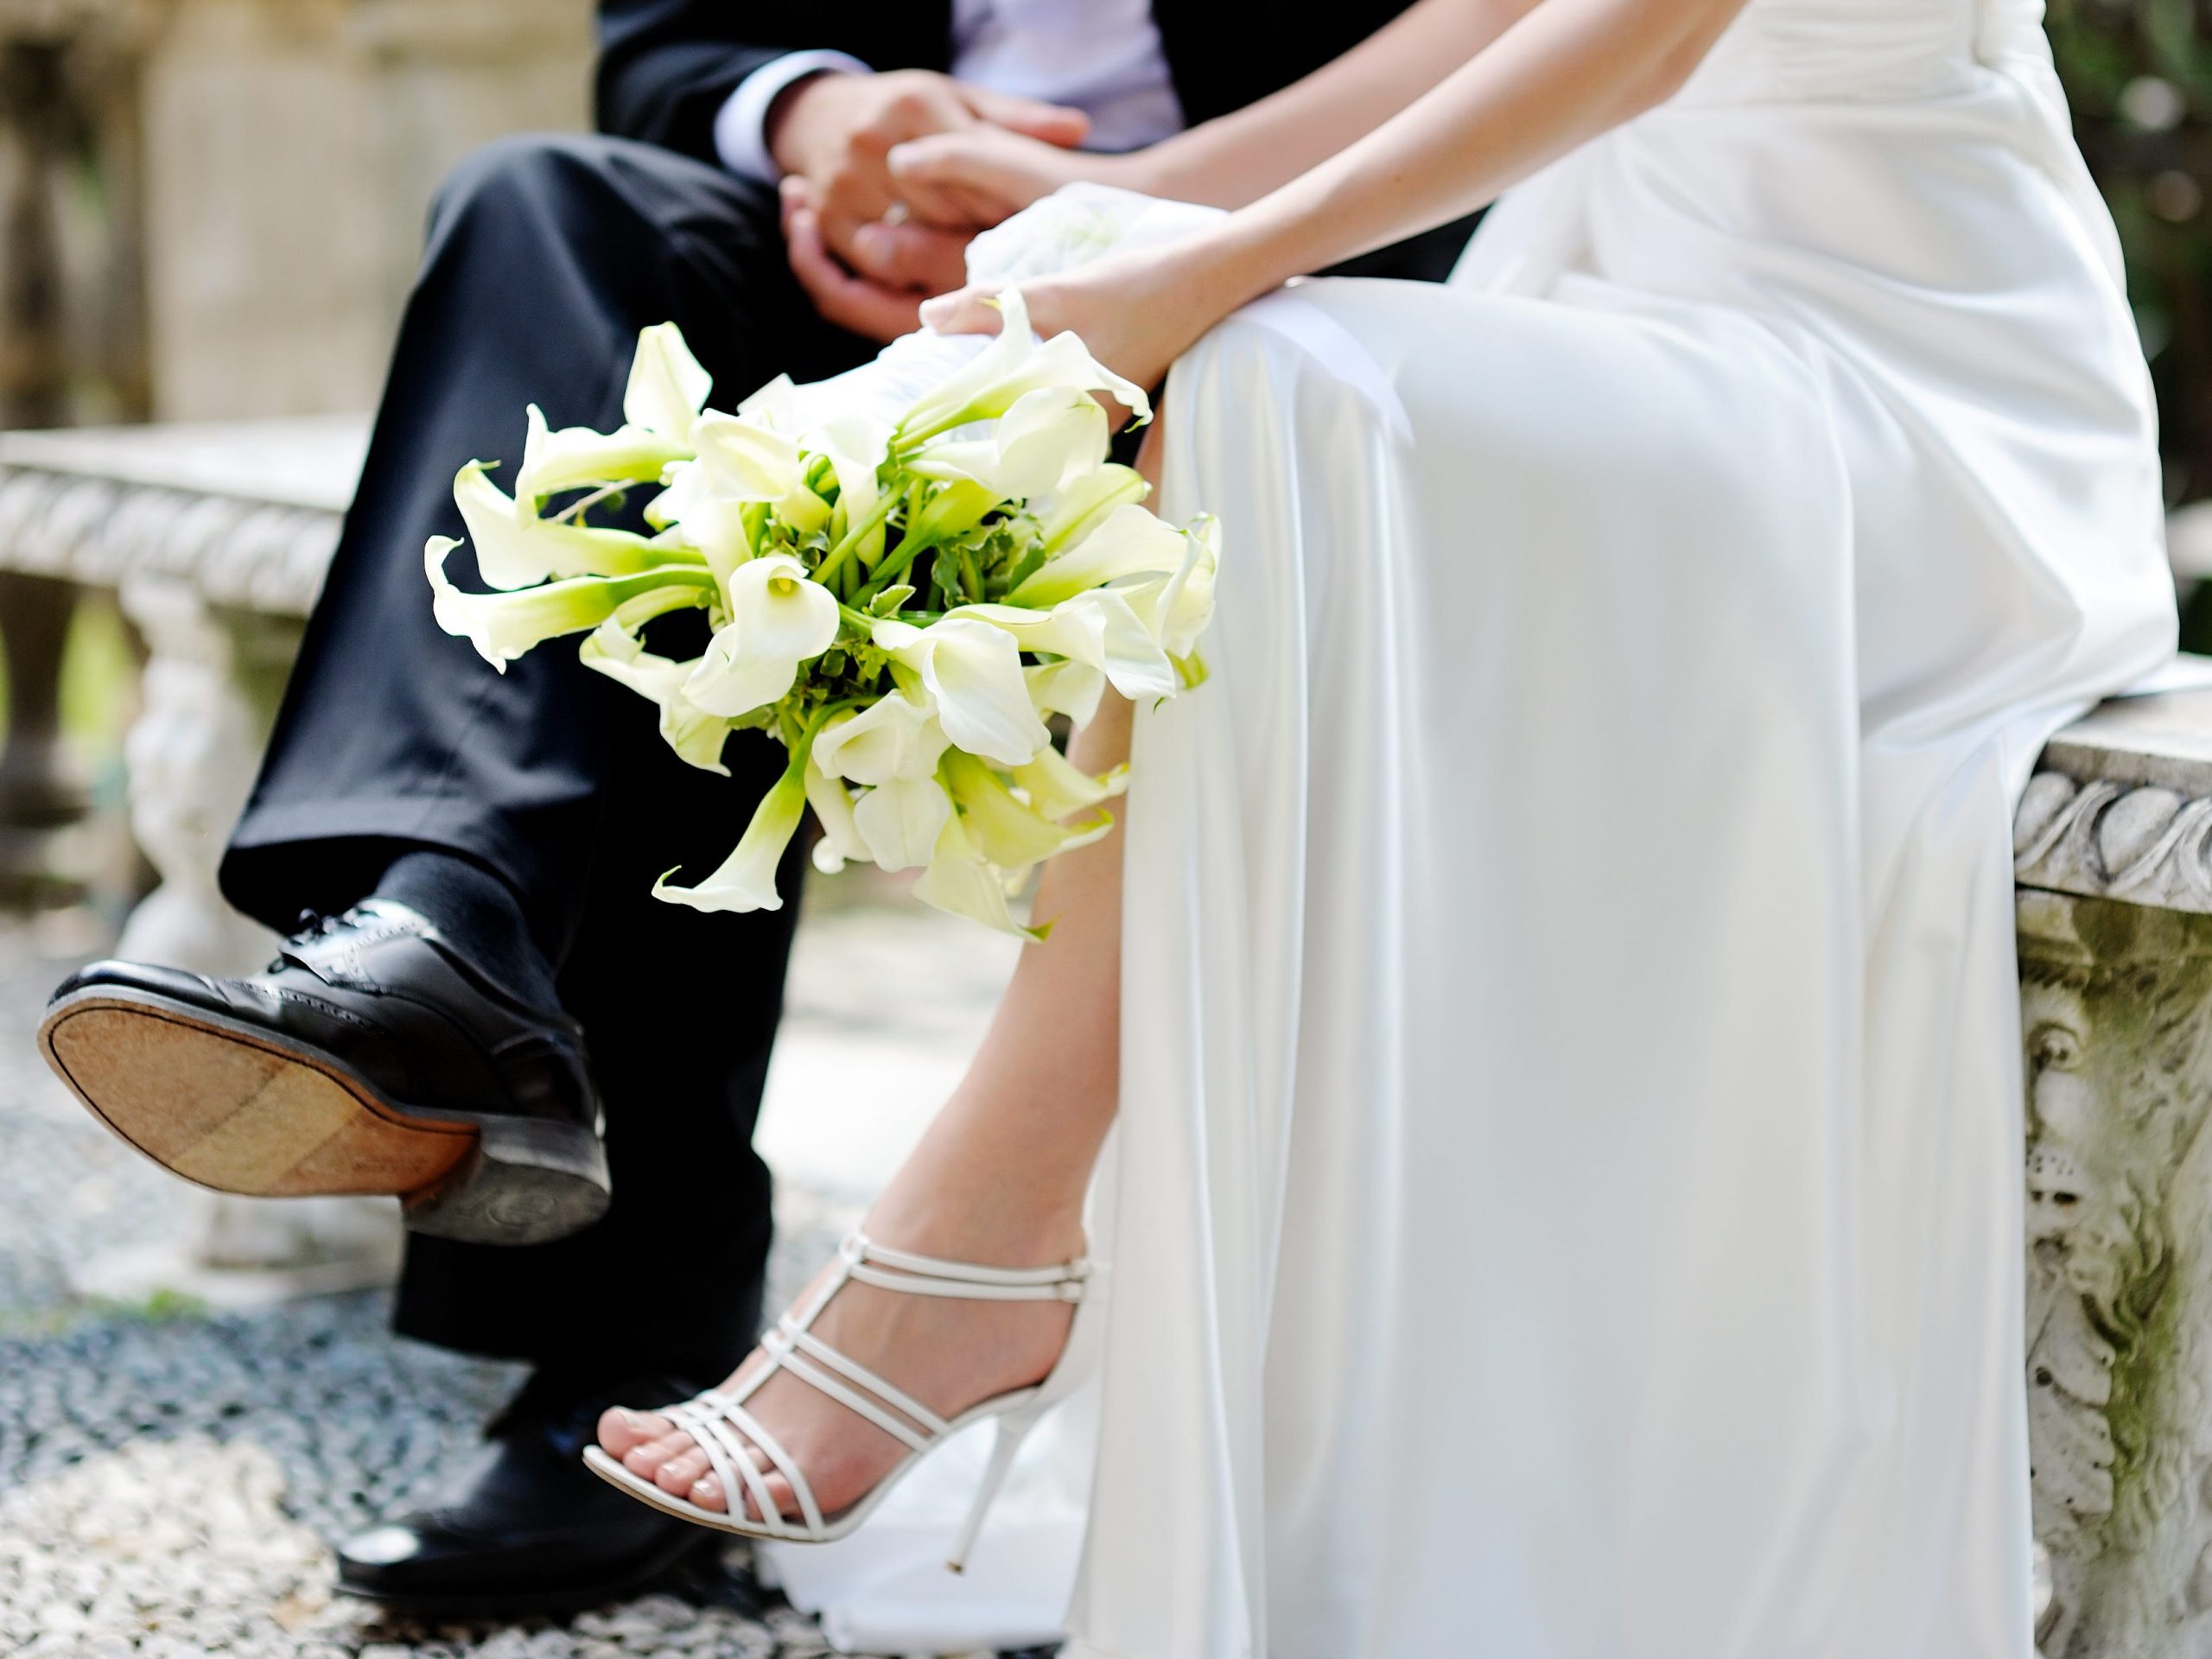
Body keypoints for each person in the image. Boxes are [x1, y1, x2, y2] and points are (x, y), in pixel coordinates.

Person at [585, 0, 2180, 1655]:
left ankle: (975, 1243)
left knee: (1268, 379)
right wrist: (1130, 202)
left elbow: (1642, 34)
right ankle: (1001, 1263)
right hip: (1625, 308)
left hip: (1905, 383)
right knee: (1218, 353)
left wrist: (1195, 269)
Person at [32, 0, 1474, 1621]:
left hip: (1302, 247)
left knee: (785, 515)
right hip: (886, 269)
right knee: (552, 209)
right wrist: (819, 126)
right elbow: (665, 43)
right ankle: (446, 934)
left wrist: (1105, 214)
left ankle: (618, 1302)